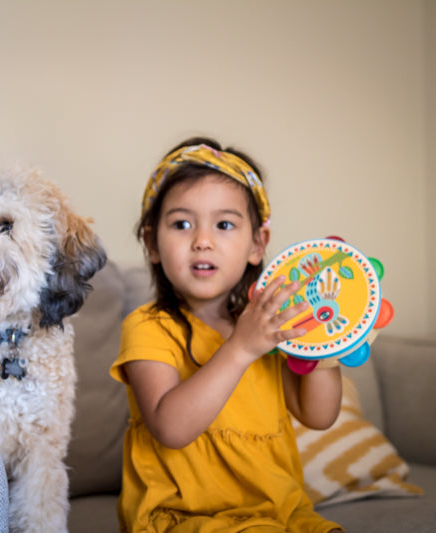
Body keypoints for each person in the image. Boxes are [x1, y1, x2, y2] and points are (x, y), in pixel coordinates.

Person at [110, 137, 344, 532]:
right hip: (185, 517)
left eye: (224, 225)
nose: (203, 241)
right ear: (151, 243)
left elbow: (319, 415)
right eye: (182, 224)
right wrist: (240, 349)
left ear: (257, 244)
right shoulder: (148, 326)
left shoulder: (267, 325)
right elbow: (171, 428)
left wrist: (327, 343)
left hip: (279, 512)